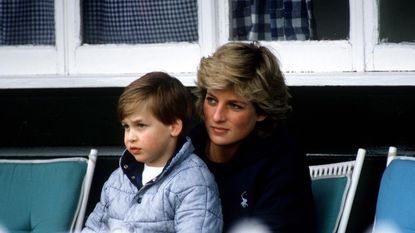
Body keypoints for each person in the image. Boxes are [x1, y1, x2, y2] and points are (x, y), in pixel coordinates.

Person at [190, 42, 316, 233]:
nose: (217, 116)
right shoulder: (185, 149)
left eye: (235, 106)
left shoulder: (282, 160)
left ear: (261, 111)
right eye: (212, 100)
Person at [82, 72, 223, 233]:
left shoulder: (193, 182)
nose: (130, 137)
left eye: (140, 125)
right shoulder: (117, 179)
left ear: (174, 127)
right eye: (126, 127)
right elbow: (94, 228)